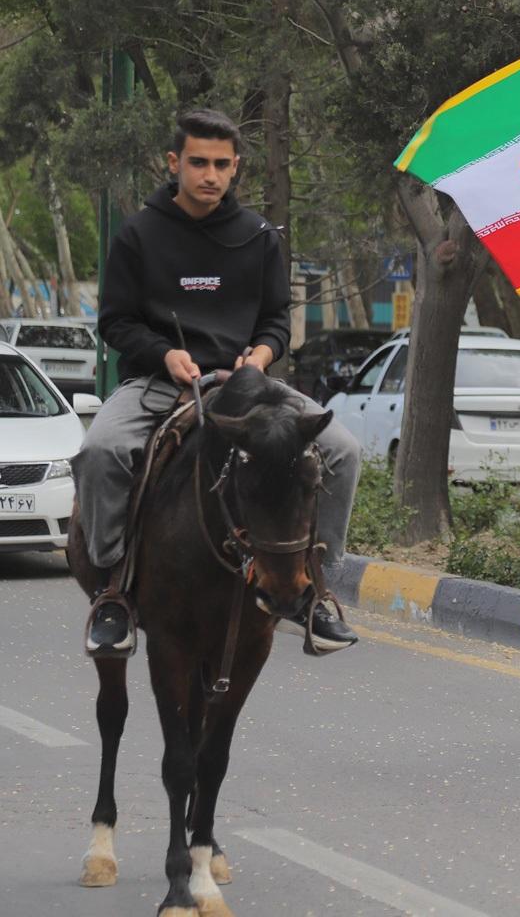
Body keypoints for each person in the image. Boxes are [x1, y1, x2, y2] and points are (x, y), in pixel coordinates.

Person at [78, 109, 362, 658]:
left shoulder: (258, 236)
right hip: (160, 382)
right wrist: (165, 354)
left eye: (222, 164)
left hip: (248, 386)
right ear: (174, 163)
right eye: (198, 162)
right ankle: (112, 591)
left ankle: (318, 591)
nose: (210, 175)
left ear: (235, 168)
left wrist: (260, 357)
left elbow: (276, 320)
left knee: (343, 449)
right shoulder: (137, 234)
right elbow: (115, 321)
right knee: (100, 451)